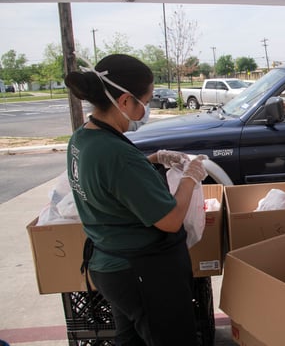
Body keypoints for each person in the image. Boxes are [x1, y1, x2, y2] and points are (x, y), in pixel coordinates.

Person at [65, 54, 207, 346]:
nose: (148, 108)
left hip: (109, 265)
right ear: (126, 101)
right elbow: (169, 220)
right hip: (140, 273)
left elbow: (111, 183)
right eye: (148, 99)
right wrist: (190, 178)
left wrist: (152, 160)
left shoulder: (82, 138)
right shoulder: (116, 154)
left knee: (131, 340)